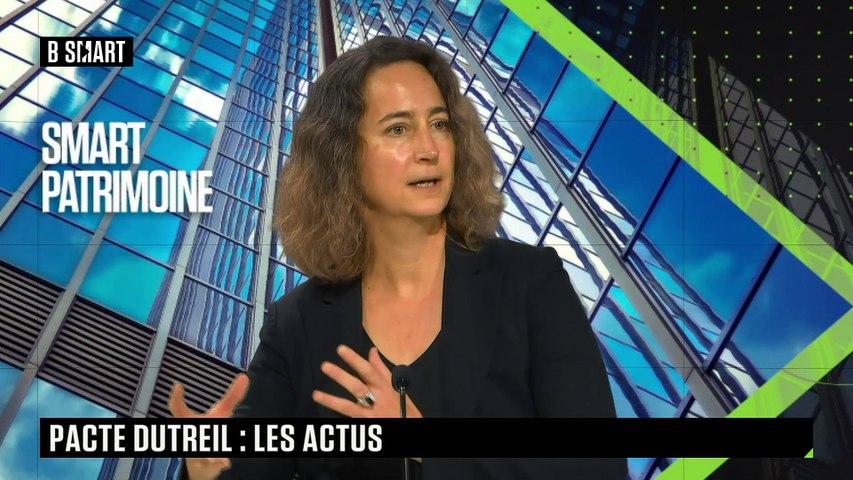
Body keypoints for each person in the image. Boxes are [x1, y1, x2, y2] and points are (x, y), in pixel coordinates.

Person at [170, 35, 626, 480]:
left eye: (440, 124)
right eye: (398, 129)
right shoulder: (297, 323)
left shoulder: (529, 280)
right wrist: (205, 469)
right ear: (343, 158)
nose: (429, 150)